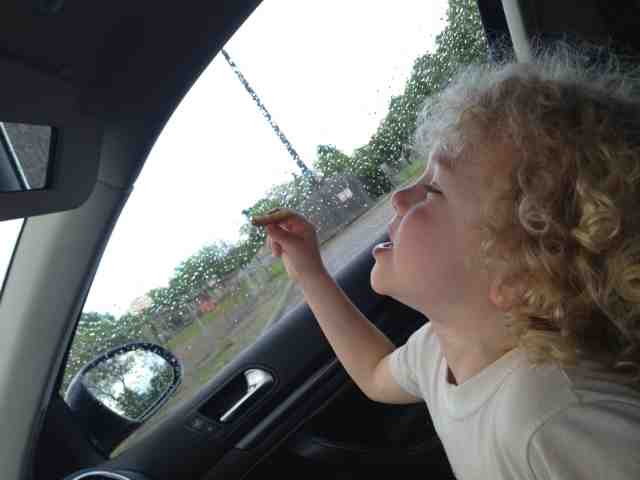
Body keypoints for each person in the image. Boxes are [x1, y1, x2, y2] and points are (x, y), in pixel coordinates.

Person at [260, 45, 640, 479]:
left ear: (517, 275)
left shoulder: (556, 421)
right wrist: (310, 273)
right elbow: (373, 373)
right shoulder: (439, 350)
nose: (399, 197)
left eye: (434, 190)